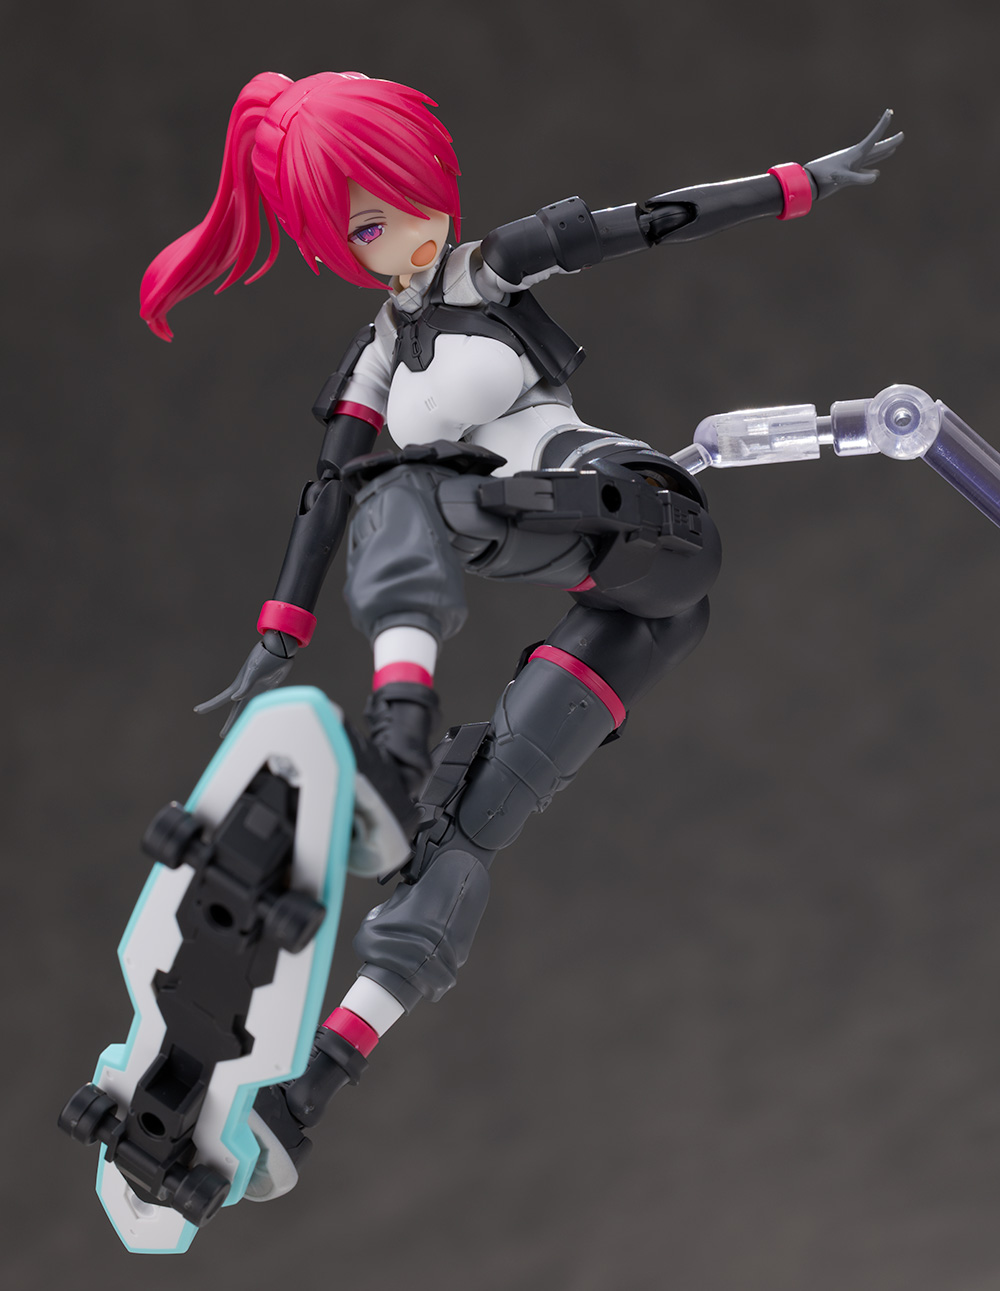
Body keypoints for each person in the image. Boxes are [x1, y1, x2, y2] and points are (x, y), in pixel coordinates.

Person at [140, 70, 901, 1193]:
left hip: (646, 520)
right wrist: (279, 629)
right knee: (458, 836)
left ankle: (396, 742)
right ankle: (300, 1107)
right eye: (363, 227)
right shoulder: (372, 358)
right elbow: (325, 492)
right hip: (629, 617)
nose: (399, 234)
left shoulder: (489, 268)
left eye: (403, 199)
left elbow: (648, 220)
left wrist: (797, 183)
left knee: (407, 494)